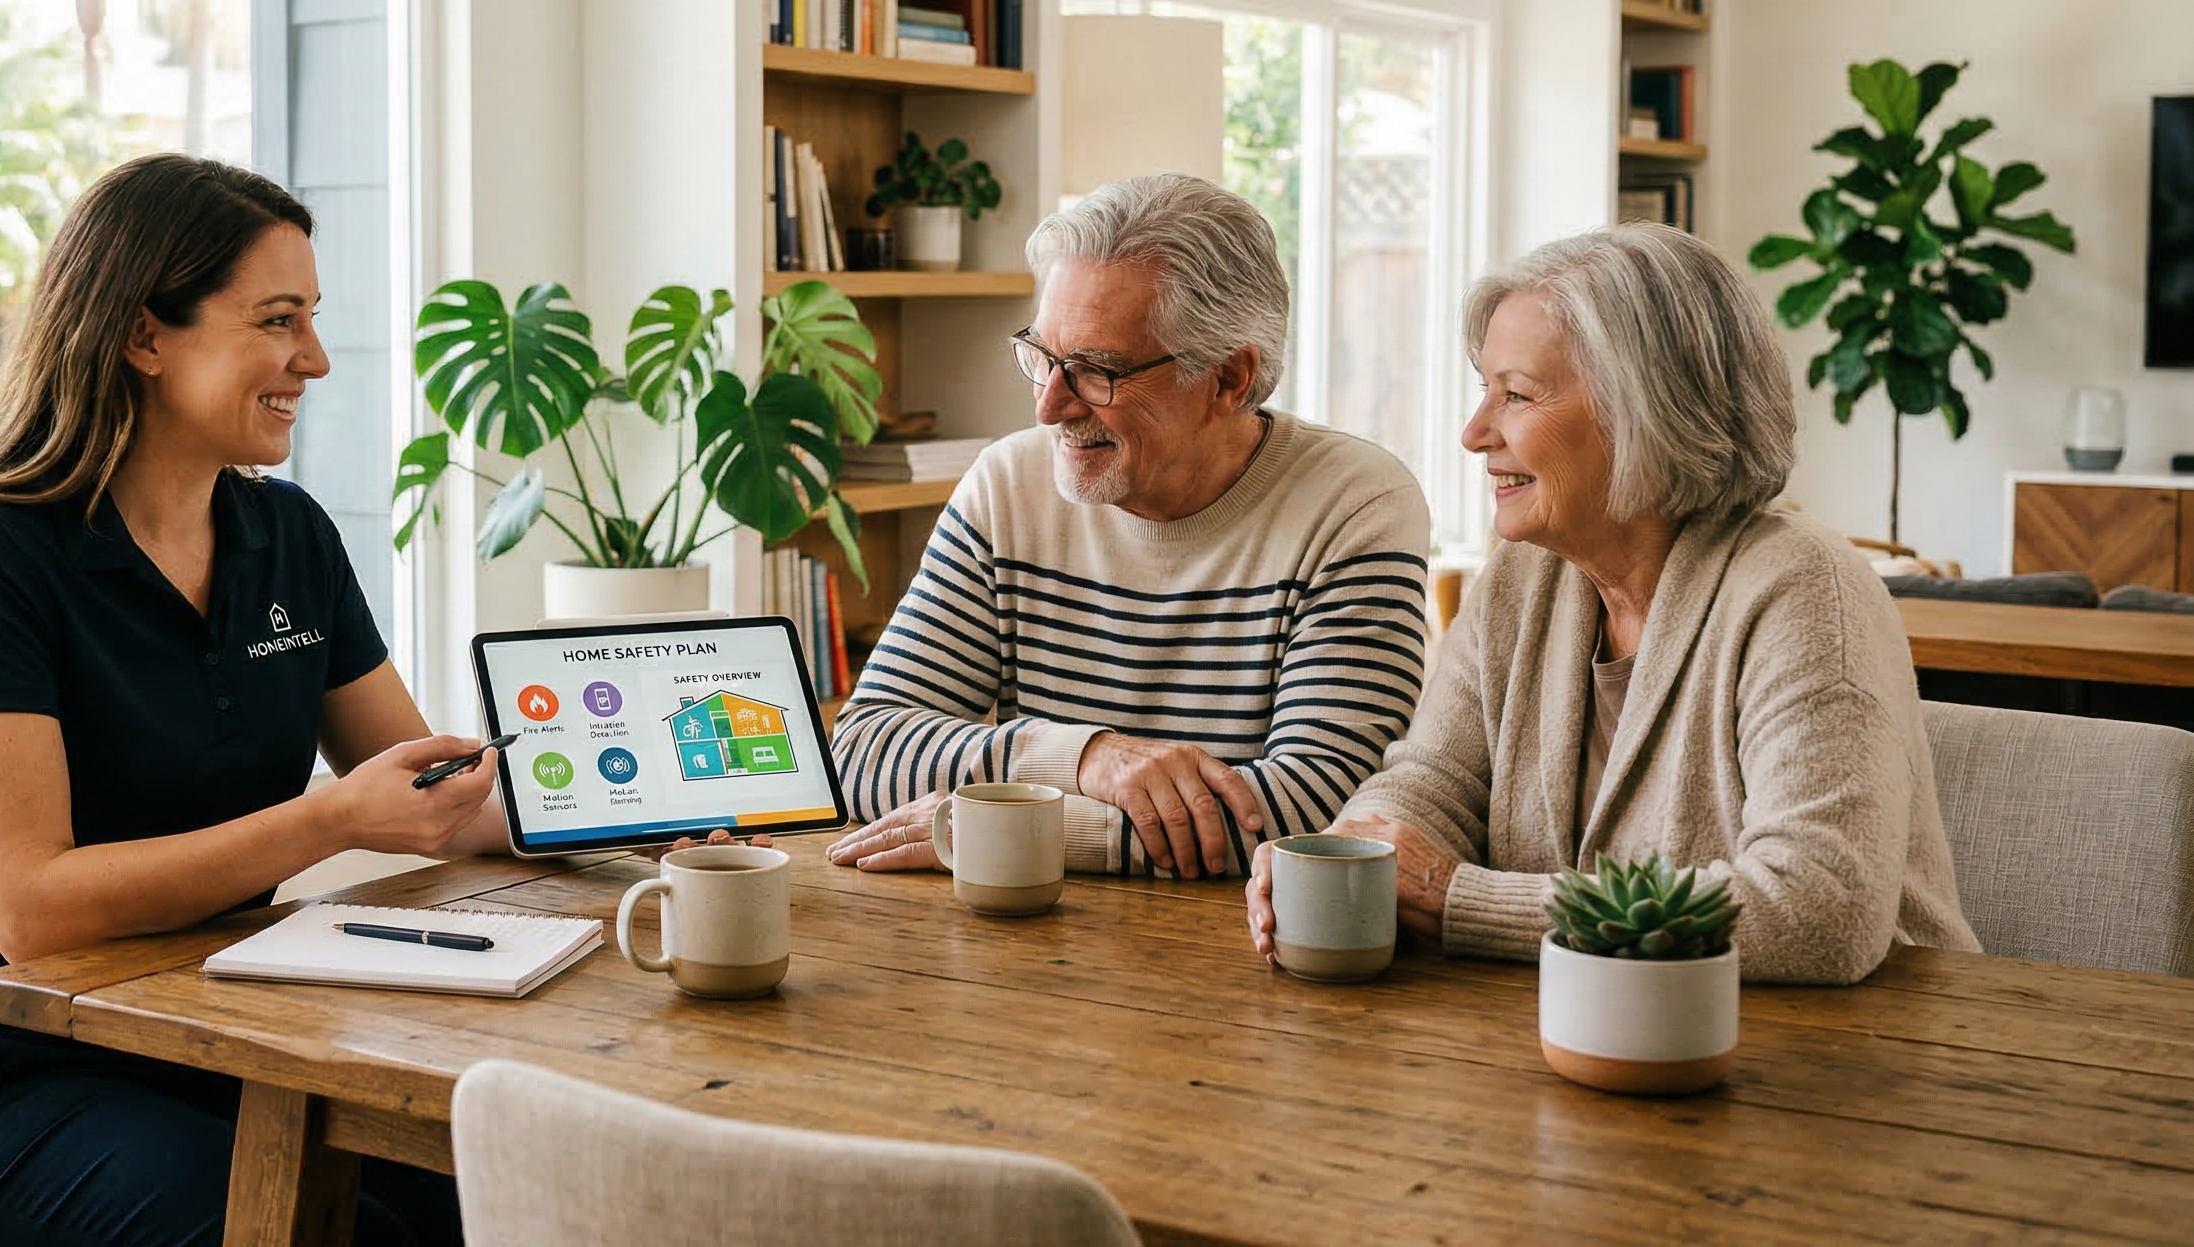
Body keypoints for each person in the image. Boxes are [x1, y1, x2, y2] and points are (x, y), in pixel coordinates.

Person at [0, 155, 499, 1247]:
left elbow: (429, 792)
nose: (315, 359)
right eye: (276, 320)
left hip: (213, 1035)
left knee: (487, 1187)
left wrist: (655, 817)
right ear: (146, 335)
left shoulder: (288, 536)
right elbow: (31, 910)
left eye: (312, 319)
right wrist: (327, 823)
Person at [1249, 223, 1979, 985]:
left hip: (1863, 1059)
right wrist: (1352, 858)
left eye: (1517, 395)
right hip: (1591, 1036)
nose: (1474, 433)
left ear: (1647, 411)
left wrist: (1462, 900)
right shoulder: (1520, 580)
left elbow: (1819, 912)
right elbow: (1431, 782)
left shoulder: (1803, 588)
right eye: (1483, 390)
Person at [827, 173, 1434, 881]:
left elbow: (1323, 811)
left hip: (1244, 958)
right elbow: (864, 749)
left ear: (1230, 379)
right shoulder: (1007, 485)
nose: (1049, 407)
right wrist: (1087, 758)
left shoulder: (1355, 504)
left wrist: (1010, 833)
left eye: (1095, 371)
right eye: (1042, 357)